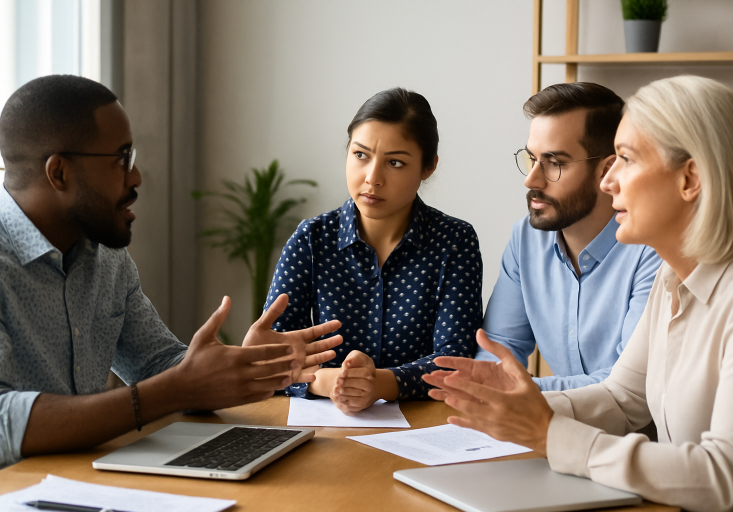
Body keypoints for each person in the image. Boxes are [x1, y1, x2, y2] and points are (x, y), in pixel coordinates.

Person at [424, 76, 733, 511]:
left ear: (690, 179)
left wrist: (548, 433)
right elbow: (623, 398)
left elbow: (725, 477)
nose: (609, 182)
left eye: (625, 159)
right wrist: (520, 404)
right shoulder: (674, 280)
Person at [0, 75, 342, 469]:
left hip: (83, 482)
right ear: (58, 173)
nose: (136, 176)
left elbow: (159, 364)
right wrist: (172, 391)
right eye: (120, 159)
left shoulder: (106, 260)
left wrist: (246, 364)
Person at [264, 87, 483, 414]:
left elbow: (456, 358)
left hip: (425, 427)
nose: (372, 178)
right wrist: (332, 382)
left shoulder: (455, 241)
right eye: (361, 155)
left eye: (395, 162)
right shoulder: (312, 237)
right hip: (322, 426)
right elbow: (272, 354)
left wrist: (379, 383)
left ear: (428, 167)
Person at [478, 82, 661, 391]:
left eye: (555, 164)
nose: (531, 180)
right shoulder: (526, 238)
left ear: (608, 170)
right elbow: (497, 347)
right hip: (551, 428)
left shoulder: (652, 248)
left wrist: (523, 391)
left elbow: (627, 387)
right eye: (531, 159)